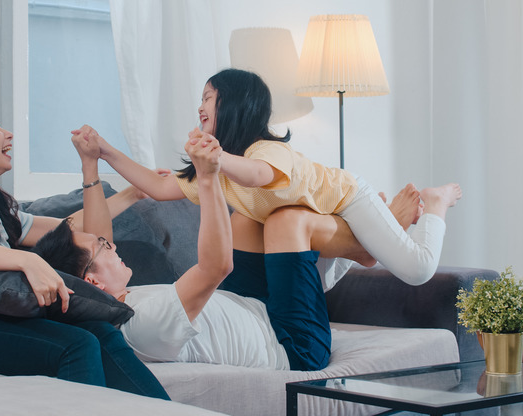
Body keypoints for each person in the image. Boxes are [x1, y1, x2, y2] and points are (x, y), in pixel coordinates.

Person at [80, 68, 462, 288]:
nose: (199, 106)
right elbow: (161, 187)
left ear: (235, 105)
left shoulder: (265, 150)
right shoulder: (219, 170)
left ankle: (436, 202)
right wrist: (106, 151)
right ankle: (372, 238)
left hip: (347, 200)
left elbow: (259, 176)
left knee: (417, 270)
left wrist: (216, 158)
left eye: (208, 97)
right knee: (318, 287)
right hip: (309, 223)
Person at [32, 125, 358, 370]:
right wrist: (207, 176)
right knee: (290, 222)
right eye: (104, 248)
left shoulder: (110, 302)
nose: (110, 243)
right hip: (292, 345)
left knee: (247, 219)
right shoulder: (142, 323)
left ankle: (347, 244)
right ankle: (363, 246)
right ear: (93, 282)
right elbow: (216, 267)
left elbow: (95, 238)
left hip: (254, 304)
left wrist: (91, 162)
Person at [0, 102, 169, 400]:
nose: (9, 134)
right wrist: (27, 260)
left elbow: (77, 229)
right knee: (76, 345)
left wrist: (132, 193)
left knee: (101, 332)